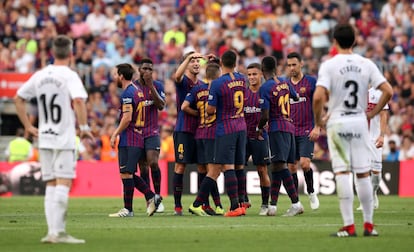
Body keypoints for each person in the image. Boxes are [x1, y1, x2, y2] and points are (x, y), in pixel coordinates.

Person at [313, 23, 393, 237]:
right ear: (355, 41)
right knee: (363, 174)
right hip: (359, 122)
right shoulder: (366, 64)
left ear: (334, 41)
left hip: (338, 123)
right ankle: (369, 225)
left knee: (342, 173)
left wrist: (318, 119)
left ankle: (349, 225)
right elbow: (388, 91)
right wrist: (372, 114)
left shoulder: (329, 65)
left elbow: (319, 96)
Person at [14, 35, 93, 244]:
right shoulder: (69, 75)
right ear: (70, 53)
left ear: (52, 52)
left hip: (45, 137)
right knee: (63, 183)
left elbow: (18, 98)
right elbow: (78, 100)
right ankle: (59, 233)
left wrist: (28, 126)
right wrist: (84, 127)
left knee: (50, 184)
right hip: (64, 138)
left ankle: (52, 232)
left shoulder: (40, 75)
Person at [108, 63, 161, 218]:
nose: (115, 78)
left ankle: (133, 206)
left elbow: (127, 118)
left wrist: (115, 134)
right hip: (137, 137)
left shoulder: (127, 94)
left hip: (129, 138)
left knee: (126, 173)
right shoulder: (138, 92)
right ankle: (149, 198)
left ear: (121, 76)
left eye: (116, 75)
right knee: (127, 173)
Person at [257, 56, 304, 217]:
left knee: (280, 166)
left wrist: (258, 127)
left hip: (277, 128)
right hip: (290, 127)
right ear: (276, 68)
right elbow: (296, 97)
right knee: (277, 166)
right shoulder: (285, 82)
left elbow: (265, 115)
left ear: (263, 70)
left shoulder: (265, 87)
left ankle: (296, 203)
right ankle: (273, 205)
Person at [202, 50, 247, 217]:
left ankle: (235, 206)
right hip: (241, 126)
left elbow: (210, 110)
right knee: (238, 166)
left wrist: (210, 109)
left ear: (221, 64)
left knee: (227, 166)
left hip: (226, 128)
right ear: (235, 63)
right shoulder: (243, 79)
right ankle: (241, 203)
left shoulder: (217, 83)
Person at [184, 60, 224, 216]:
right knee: (213, 171)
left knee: (203, 170)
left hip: (199, 133)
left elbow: (184, 106)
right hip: (213, 134)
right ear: (218, 75)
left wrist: (198, 115)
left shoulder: (197, 89)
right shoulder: (219, 90)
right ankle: (212, 204)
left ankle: (206, 206)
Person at [286, 52, 320, 210]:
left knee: (305, 164)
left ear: (301, 64)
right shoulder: (285, 85)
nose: (291, 68)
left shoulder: (311, 82)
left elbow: (319, 104)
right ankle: (296, 202)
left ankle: (311, 191)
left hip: (307, 129)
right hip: (290, 131)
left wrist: (317, 126)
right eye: (289, 65)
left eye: (294, 64)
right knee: (291, 167)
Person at [172, 51, 205, 215]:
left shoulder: (202, 85)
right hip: (183, 129)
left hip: (199, 131)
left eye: (198, 61)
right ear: (186, 63)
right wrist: (187, 57)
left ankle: (199, 204)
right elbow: (176, 75)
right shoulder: (183, 81)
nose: (196, 63)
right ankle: (177, 206)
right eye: (193, 61)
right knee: (180, 165)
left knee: (202, 166)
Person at [134, 58, 166, 213]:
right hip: (137, 132)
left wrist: (151, 86)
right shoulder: (133, 87)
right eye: (145, 68)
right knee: (143, 167)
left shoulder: (158, 85)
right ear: (139, 70)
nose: (147, 71)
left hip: (152, 131)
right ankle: (149, 200)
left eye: (150, 69)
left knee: (153, 162)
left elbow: (161, 106)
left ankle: (158, 197)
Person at [244, 63, 271, 215]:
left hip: (260, 137)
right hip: (244, 137)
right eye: (249, 75)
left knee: (262, 170)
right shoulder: (244, 94)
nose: (252, 77)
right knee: (238, 168)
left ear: (261, 74)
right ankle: (244, 200)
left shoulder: (265, 93)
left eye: (254, 74)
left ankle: (265, 204)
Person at [357, 86, 389, 210]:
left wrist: (381, 135)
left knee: (376, 172)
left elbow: (383, 116)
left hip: (374, 138)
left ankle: (373, 192)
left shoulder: (379, 93)